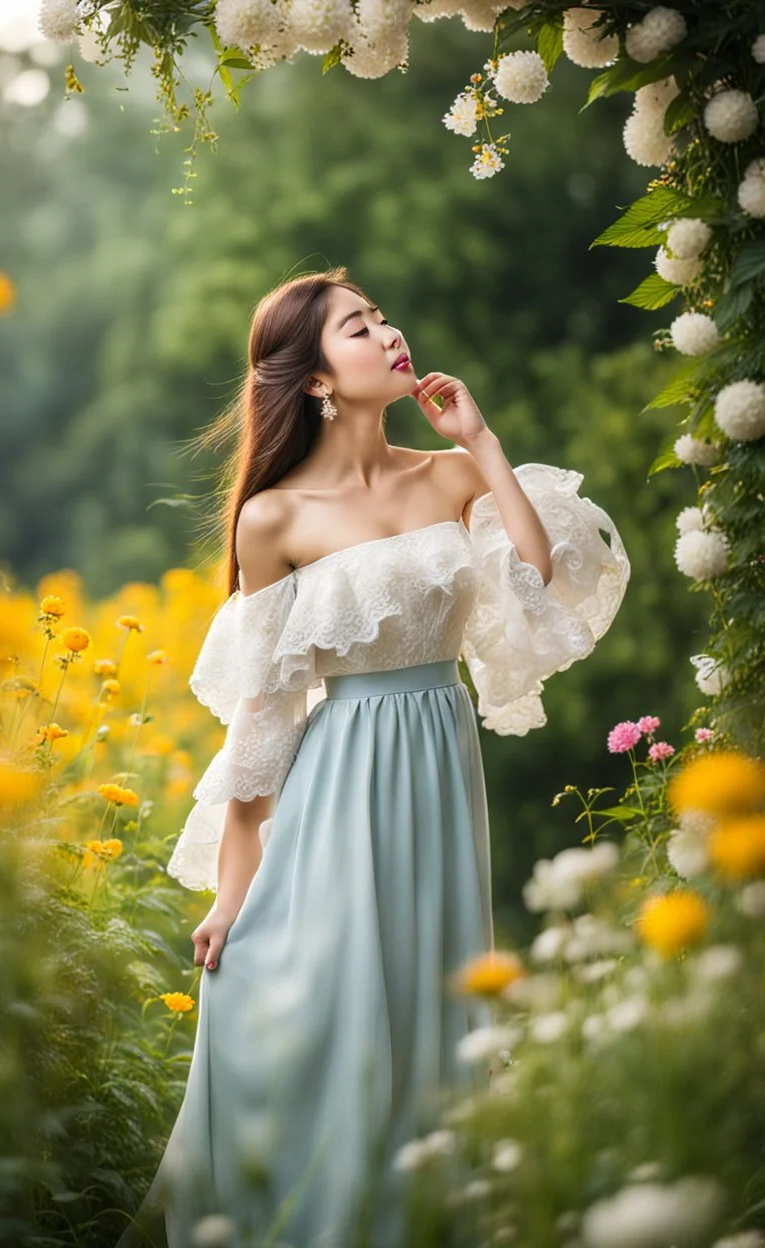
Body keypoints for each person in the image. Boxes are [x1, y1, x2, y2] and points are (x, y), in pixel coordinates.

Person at [116, 267, 630, 1248]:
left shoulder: (444, 473)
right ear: (313, 377)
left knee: (425, 1015)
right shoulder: (274, 519)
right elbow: (262, 721)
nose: (389, 332)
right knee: (322, 1007)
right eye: (359, 327)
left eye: (382, 315)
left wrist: (479, 441)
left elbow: (539, 569)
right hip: (336, 781)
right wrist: (231, 892)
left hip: (438, 763)